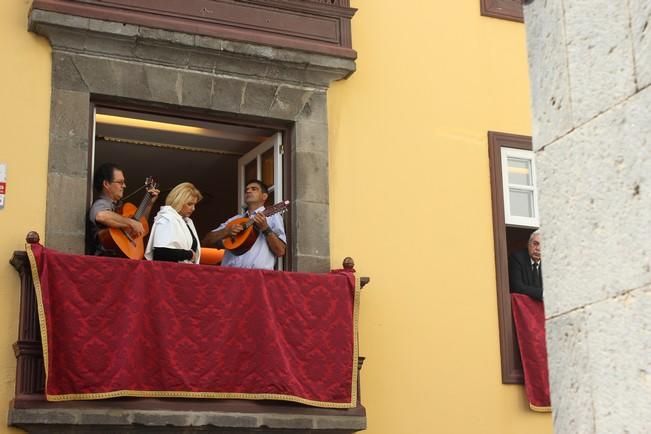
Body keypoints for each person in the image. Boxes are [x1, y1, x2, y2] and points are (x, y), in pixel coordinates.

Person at [202, 180, 286, 270]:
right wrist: (226, 231)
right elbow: (206, 241)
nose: (248, 191)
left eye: (254, 189)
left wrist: (265, 228)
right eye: (246, 190)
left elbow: (280, 251)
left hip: (257, 277)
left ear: (264, 196)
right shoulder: (234, 220)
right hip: (229, 276)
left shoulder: (273, 217)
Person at [86, 163, 159, 256]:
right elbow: (101, 216)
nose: (124, 186)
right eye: (120, 182)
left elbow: (141, 225)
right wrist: (131, 223)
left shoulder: (117, 208)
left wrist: (149, 204)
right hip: (104, 261)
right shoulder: (101, 203)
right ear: (106, 184)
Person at [145, 182, 202, 264]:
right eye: (190, 204)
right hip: (170, 273)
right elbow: (161, 253)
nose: (193, 208)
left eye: (194, 204)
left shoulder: (186, 222)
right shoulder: (166, 218)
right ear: (178, 201)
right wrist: (189, 254)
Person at [508, 230, 543, 301]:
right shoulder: (517, 258)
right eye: (535, 244)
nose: (538, 249)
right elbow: (517, 287)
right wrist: (543, 293)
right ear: (528, 244)